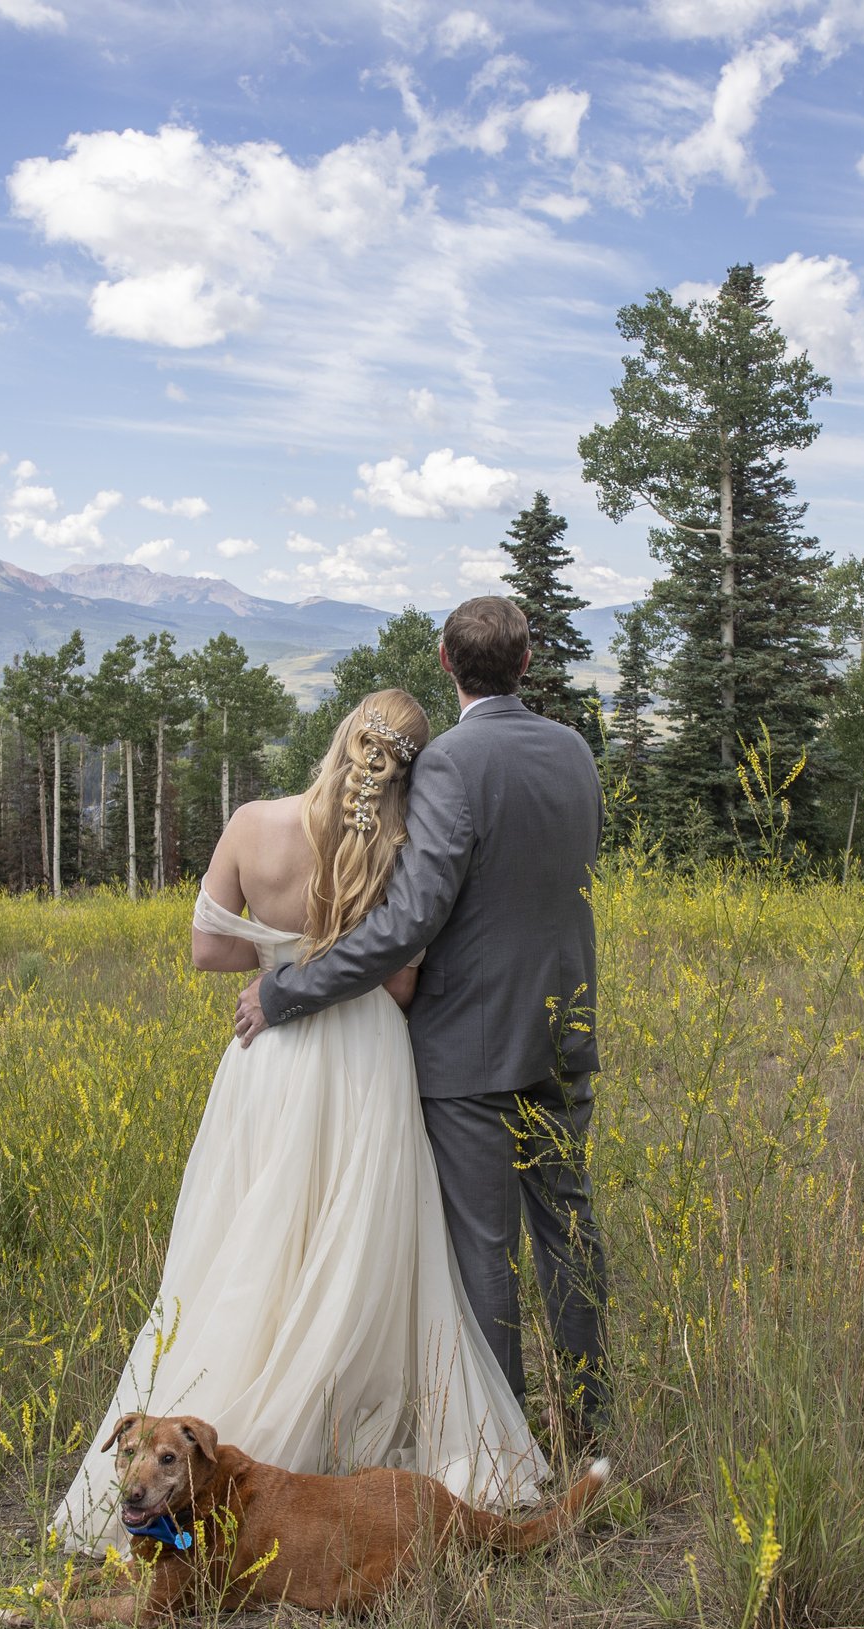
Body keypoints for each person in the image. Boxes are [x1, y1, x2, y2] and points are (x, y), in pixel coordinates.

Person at [49, 686, 548, 1553]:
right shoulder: (396, 849)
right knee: (360, 1251)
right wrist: (332, 953)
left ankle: (201, 1458)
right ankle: (340, 1427)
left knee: (249, 1241)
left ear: (342, 734)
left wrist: (283, 956)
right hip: (364, 1061)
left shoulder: (252, 822)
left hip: (267, 1057)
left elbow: (207, 947)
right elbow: (397, 982)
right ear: (407, 768)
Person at [237, 595, 609, 1447]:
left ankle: (503, 1440)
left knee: (485, 1248)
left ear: (446, 660)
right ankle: (591, 1425)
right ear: (526, 661)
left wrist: (289, 990)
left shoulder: (446, 765)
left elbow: (409, 923)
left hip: (471, 1048)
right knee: (572, 1228)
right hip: (563, 1030)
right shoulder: (575, 752)